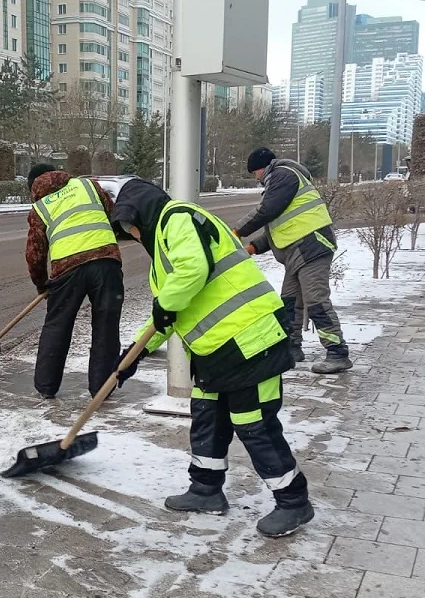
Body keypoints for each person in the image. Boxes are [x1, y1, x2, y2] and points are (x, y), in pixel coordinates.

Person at [110, 179, 314, 538]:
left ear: (142, 213)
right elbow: (169, 313)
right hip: (217, 351)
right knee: (207, 417)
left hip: (252, 341)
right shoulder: (162, 246)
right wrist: (135, 353)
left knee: (254, 424)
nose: (134, 235)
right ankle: (205, 489)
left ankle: (293, 501)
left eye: (132, 226)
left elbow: (191, 273)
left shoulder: (179, 218)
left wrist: (164, 307)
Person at [233, 147, 351, 375]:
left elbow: (266, 211)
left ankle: (337, 352)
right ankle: (291, 348)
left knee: (316, 301)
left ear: (261, 168)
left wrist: (237, 231)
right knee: (289, 302)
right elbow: (280, 226)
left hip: (311, 246)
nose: (255, 178)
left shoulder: (283, 175)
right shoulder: (281, 180)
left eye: (254, 173)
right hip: (298, 251)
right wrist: (252, 247)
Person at [25, 164, 123, 399]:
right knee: (106, 327)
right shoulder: (88, 186)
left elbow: (35, 254)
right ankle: (102, 388)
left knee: (57, 327)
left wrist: (42, 284)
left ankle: (46, 386)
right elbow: (112, 214)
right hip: (106, 262)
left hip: (67, 270)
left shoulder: (39, 208)